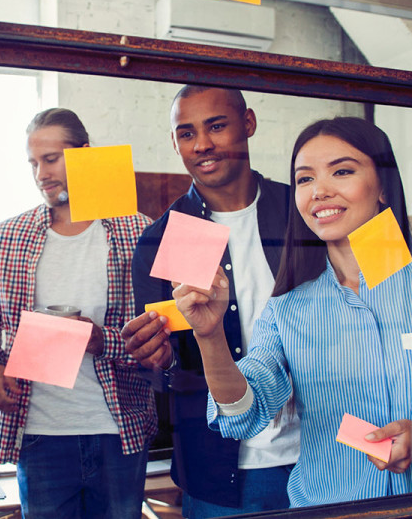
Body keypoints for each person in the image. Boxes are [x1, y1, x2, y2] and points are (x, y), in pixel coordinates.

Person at [174, 116, 412, 507]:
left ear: (383, 185)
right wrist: (209, 337)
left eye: (342, 171)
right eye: (305, 179)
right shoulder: (286, 311)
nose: (320, 191)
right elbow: (244, 415)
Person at [121, 85, 299, 517]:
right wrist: (155, 357)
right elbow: (168, 370)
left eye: (216, 126)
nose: (201, 144)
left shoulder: (300, 212)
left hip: (319, 453)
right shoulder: (165, 238)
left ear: (249, 124)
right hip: (218, 469)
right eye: (186, 133)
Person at [0, 108, 157, 518]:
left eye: (51, 159)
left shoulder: (137, 233)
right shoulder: (9, 236)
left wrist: (101, 340)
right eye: (33, 163)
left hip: (118, 432)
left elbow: (163, 334)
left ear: (85, 155)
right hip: (40, 434)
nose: (41, 174)